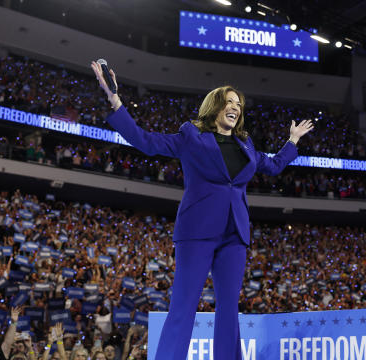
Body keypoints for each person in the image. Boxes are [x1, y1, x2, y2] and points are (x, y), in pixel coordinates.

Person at [90, 61, 313, 360]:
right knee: (184, 305)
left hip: (235, 234)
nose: (235, 107)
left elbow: (272, 166)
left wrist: (293, 141)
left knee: (228, 309)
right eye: (229, 102)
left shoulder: (246, 145)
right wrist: (114, 100)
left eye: (239, 104)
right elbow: (146, 141)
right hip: (197, 230)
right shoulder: (191, 136)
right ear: (216, 107)